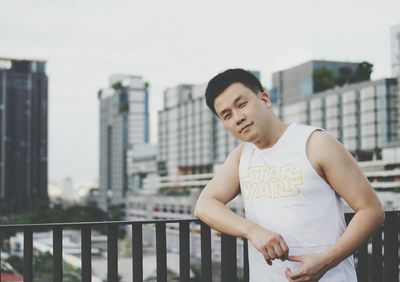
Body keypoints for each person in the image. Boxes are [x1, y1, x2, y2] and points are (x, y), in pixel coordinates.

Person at [194, 69, 385, 281]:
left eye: (242, 104)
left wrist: (324, 261)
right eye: (227, 115)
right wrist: (252, 231)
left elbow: (371, 210)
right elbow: (204, 206)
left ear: (264, 99)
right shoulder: (241, 157)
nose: (238, 118)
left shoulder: (315, 143)